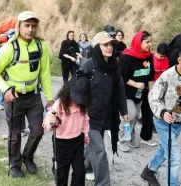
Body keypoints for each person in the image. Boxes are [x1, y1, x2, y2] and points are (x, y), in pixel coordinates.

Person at [0, 11, 53, 177]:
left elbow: (45, 73)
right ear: (19, 27)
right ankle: (15, 164)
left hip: (34, 97)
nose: (30, 29)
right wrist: (6, 90)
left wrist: (49, 97)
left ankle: (27, 157)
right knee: (15, 135)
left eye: (33, 26)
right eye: (27, 25)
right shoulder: (9, 47)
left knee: (38, 131)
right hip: (14, 98)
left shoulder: (41, 45)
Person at [141, 41, 181, 186]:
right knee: (173, 157)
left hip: (179, 121)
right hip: (163, 121)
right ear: (180, 60)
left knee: (164, 149)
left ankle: (149, 170)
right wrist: (162, 112)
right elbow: (153, 97)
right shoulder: (167, 76)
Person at [78, 31, 128, 185]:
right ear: (97, 46)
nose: (109, 47)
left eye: (111, 44)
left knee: (93, 146)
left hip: (106, 114)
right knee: (100, 150)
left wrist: (123, 110)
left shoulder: (114, 65)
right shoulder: (88, 64)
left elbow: (119, 87)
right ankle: (103, 183)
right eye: (105, 44)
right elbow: (77, 89)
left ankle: (86, 166)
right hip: (90, 116)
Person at [42, 83, 89, 186]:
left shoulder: (82, 104)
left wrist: (85, 134)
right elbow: (47, 122)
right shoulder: (59, 104)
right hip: (61, 141)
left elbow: (85, 120)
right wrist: (51, 121)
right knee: (62, 173)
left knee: (80, 171)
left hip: (78, 140)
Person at [118, 31, 155, 152]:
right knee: (130, 115)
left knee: (135, 116)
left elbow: (150, 76)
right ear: (139, 42)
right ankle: (122, 139)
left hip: (140, 94)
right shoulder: (126, 57)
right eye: (147, 42)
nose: (149, 44)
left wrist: (151, 92)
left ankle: (131, 136)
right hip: (126, 93)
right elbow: (121, 77)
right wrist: (135, 84)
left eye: (150, 42)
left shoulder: (148, 56)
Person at [140, 43, 169, 146]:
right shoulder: (149, 59)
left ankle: (148, 135)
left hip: (162, 90)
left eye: (164, 56)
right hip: (149, 89)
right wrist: (149, 91)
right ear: (155, 52)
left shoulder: (166, 59)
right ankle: (144, 136)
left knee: (158, 112)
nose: (162, 58)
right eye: (160, 56)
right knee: (147, 114)